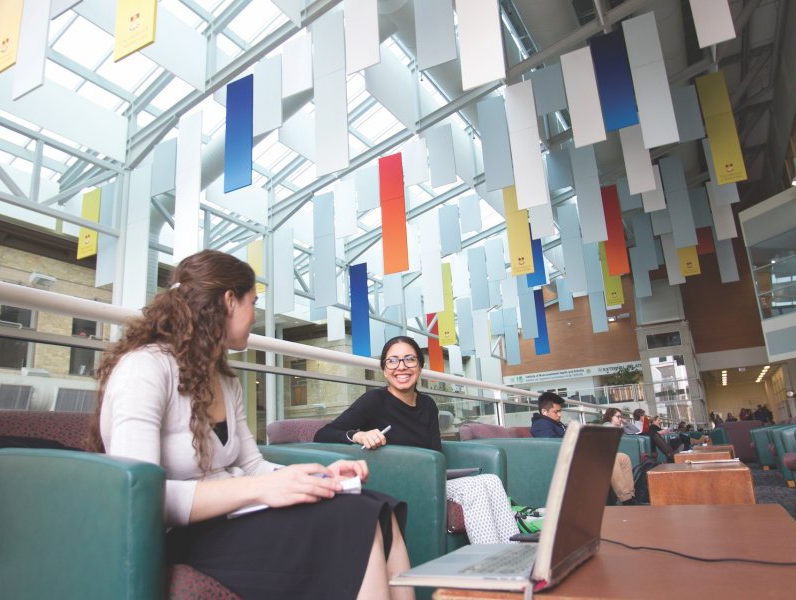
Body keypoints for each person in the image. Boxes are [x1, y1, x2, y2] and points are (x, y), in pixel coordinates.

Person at [92, 250, 413, 600]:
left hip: (234, 516)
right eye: (252, 303)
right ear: (230, 301)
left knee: (379, 506)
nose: (255, 315)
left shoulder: (224, 381)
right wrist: (257, 491)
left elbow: (251, 465)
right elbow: (138, 495)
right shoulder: (145, 369)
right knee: (351, 521)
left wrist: (320, 476)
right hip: (181, 534)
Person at [314, 336, 519, 544]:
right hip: (398, 482)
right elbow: (323, 434)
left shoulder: (428, 404)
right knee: (474, 489)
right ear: (385, 370)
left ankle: (513, 556)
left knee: (491, 481)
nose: (401, 367)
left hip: (429, 479)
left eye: (409, 359)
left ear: (420, 367)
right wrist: (358, 435)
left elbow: (435, 451)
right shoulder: (374, 400)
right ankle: (489, 564)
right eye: (392, 361)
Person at [529, 395, 637, 506]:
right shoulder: (541, 425)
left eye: (560, 411)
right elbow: (551, 447)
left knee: (623, 458)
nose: (559, 415)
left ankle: (630, 496)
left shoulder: (556, 423)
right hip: (568, 461)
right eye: (556, 412)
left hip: (577, 455)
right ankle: (626, 500)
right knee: (611, 459)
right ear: (544, 411)